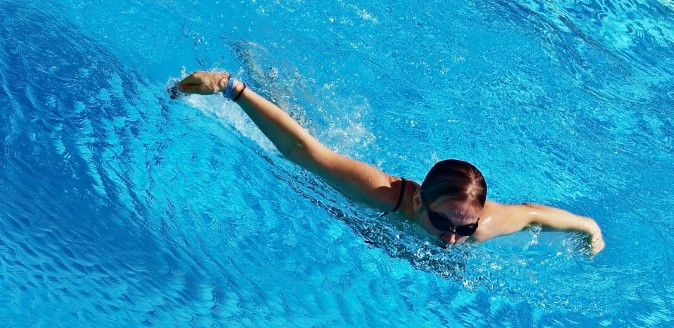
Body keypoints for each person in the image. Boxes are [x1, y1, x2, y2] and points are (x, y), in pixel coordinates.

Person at [173, 71, 605, 256]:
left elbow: (533, 216)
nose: (453, 239)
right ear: (419, 201)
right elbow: (302, 151)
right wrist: (231, 88)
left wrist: (589, 229)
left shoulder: (480, 228)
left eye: (464, 227)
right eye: (445, 225)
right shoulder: (381, 194)